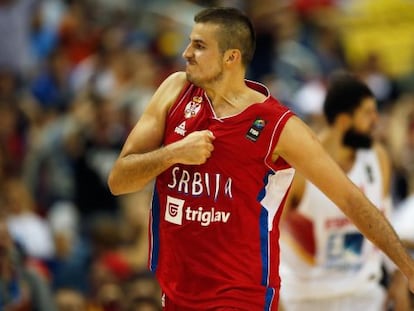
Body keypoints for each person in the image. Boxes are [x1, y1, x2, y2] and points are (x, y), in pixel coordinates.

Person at [107, 7, 414, 311]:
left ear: (231, 57)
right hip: (175, 289)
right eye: (190, 42)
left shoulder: (279, 126)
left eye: (199, 46)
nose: (187, 52)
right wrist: (175, 153)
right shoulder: (175, 91)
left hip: (240, 296)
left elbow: (350, 199)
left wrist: (407, 268)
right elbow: (119, 179)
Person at [278, 74, 411, 311]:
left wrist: (400, 278)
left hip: (363, 295)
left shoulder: (377, 158)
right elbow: (267, 234)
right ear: (342, 120)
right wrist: (275, 297)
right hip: (304, 299)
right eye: (368, 113)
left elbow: (384, 220)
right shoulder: (299, 167)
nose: (376, 121)